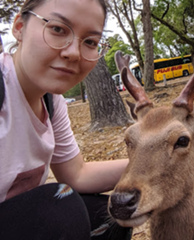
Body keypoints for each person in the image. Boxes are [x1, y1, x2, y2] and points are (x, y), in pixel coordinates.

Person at [0, 0, 132, 239]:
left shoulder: (51, 100)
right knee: (61, 209)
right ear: (19, 26)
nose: (74, 53)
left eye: (90, 42)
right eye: (58, 29)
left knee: (110, 214)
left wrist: (159, 162)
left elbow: (76, 174)